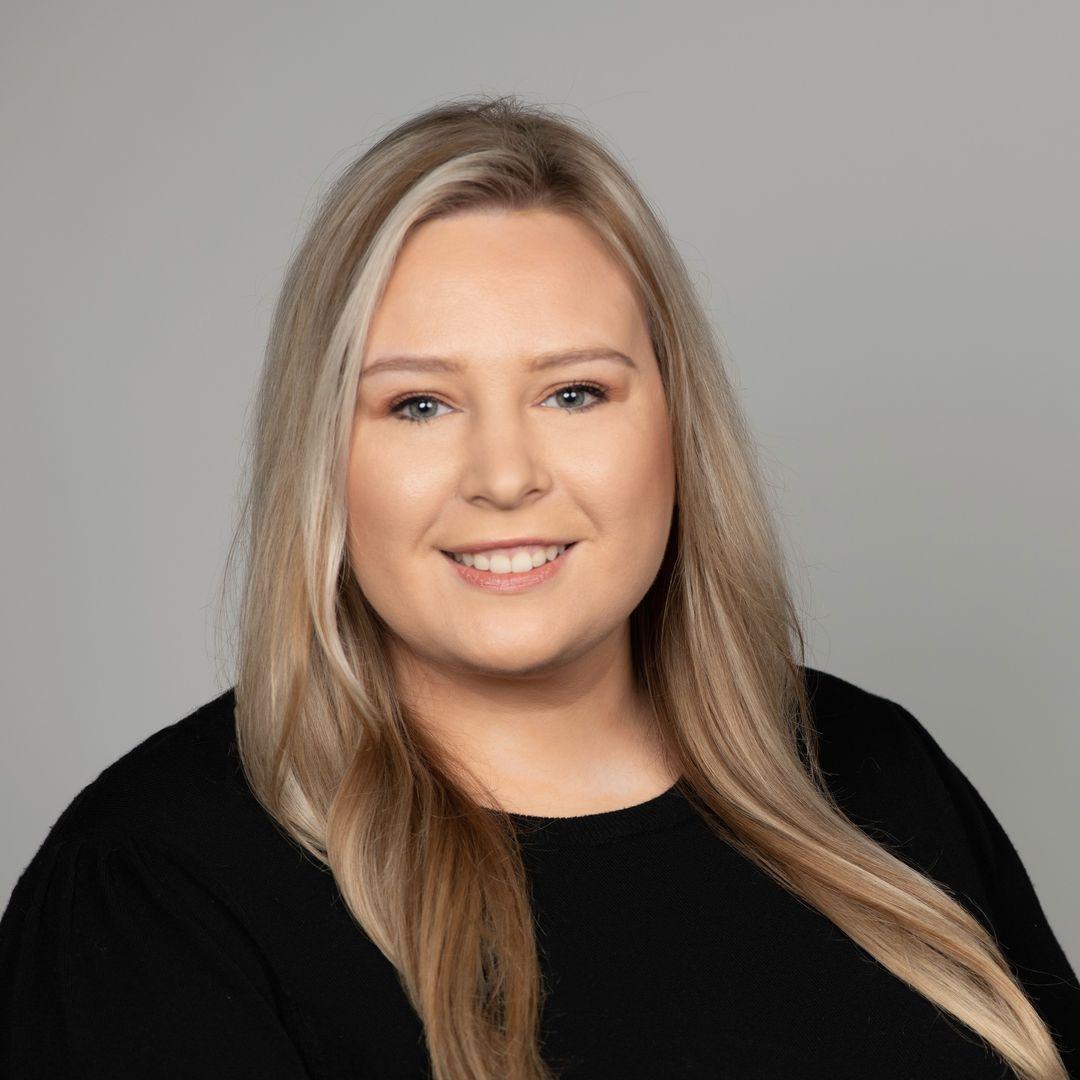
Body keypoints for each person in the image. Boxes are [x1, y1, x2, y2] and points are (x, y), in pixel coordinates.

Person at [1, 94, 1077, 1080]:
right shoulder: (153, 889)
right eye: (419, 405)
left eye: (573, 391)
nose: (507, 477)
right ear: (324, 456)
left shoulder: (878, 776)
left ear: (675, 427)